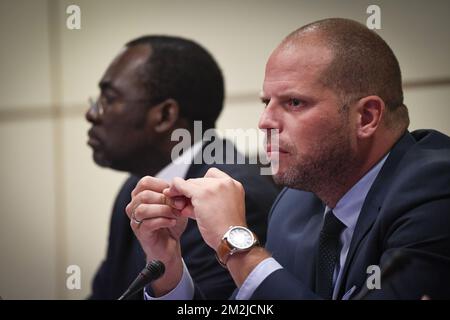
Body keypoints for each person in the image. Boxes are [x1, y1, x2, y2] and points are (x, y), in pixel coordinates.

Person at [127, 18, 450, 300]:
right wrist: (168, 268)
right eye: (266, 102)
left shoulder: (437, 189)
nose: (265, 121)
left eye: (294, 102)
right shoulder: (294, 203)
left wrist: (237, 244)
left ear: (366, 116)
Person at [86, 35, 279, 299]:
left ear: (164, 116)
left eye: (109, 98)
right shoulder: (135, 187)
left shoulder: (238, 194)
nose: (92, 113)